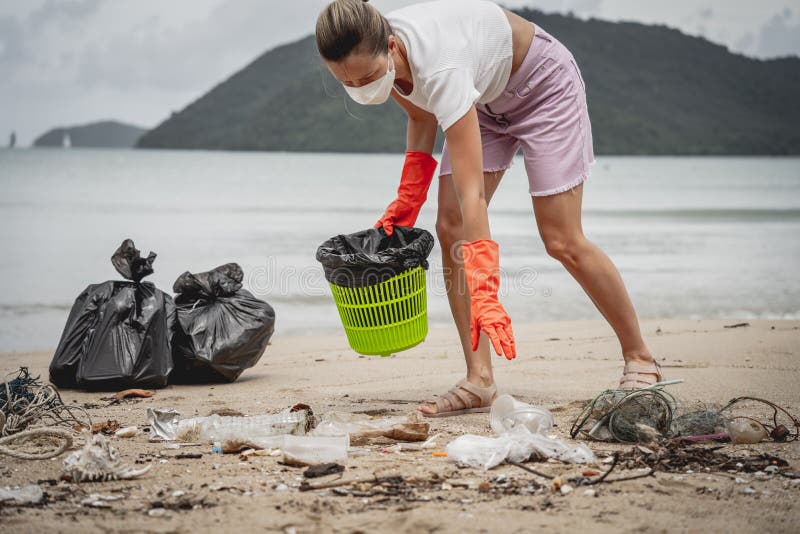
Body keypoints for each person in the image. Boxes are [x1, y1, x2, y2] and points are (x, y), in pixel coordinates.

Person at [315, 0, 662, 417]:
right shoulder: (382, 60)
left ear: (391, 47)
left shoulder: (441, 67)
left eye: (368, 77)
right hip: (483, 100)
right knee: (449, 228)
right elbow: (422, 118)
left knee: (561, 239)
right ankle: (479, 380)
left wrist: (485, 288)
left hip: (543, 87)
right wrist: (408, 198)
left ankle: (640, 356)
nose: (362, 87)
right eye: (347, 82)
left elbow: (472, 193)